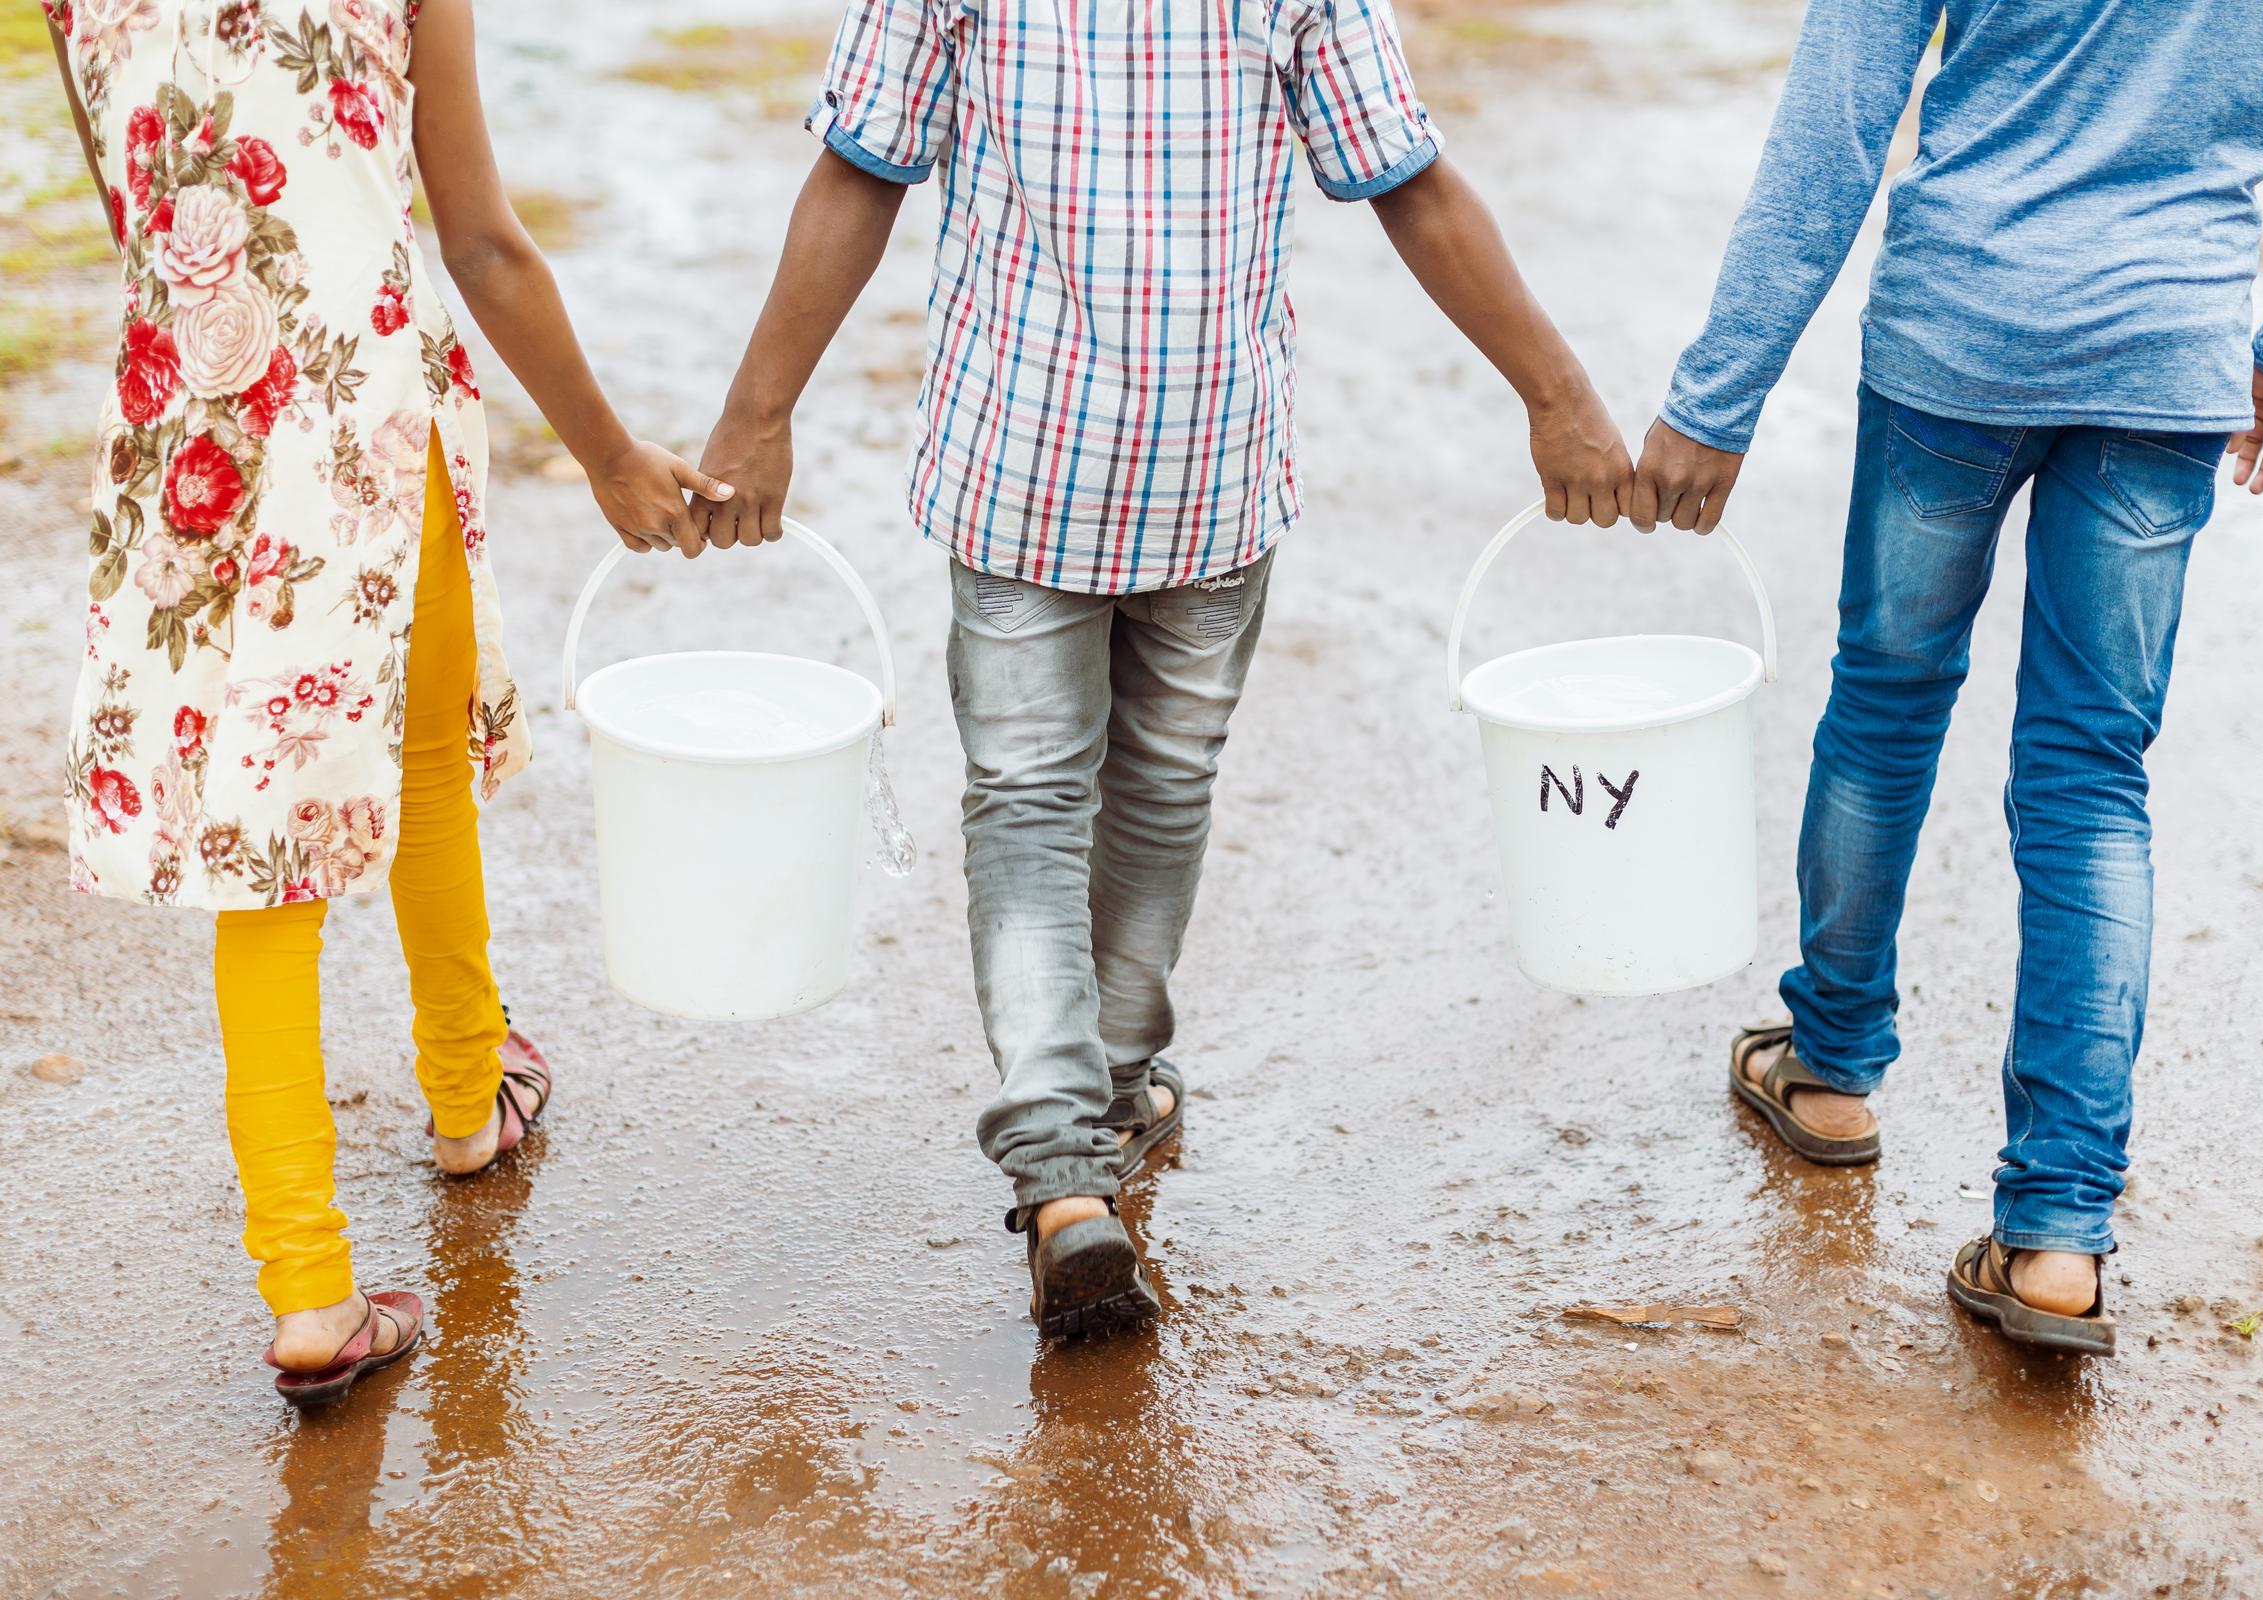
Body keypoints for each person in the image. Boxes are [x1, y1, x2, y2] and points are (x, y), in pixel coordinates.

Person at [692, 0, 1634, 1336]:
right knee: (1163, 786)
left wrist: (756, 414)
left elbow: (860, 167)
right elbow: (1408, 179)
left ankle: (1062, 1170)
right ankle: (1115, 1090)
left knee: (1027, 806)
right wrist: (1558, 397)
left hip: (1021, 462)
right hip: (1212, 466)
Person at [1630, 0, 2263, 1353]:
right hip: (2169, 352)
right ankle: (2055, 1234)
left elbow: (1839, 114)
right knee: (2090, 777)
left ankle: (1829, 1072)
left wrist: (1718, 394)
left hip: (1959, 335)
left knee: (1885, 700)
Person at [45, 0, 730, 1405]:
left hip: (192, 420)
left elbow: (143, 209)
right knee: (423, 755)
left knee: (261, 861)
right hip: (360, 415)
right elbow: (480, 240)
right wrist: (605, 454)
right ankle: (469, 1095)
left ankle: (314, 1288)